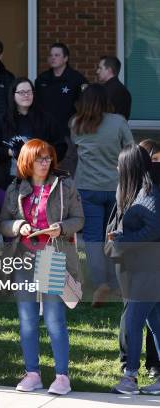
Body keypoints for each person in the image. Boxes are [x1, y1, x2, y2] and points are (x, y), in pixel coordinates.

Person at [0, 139, 84, 396]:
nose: (45, 162)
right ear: (27, 161)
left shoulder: (64, 184)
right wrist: (17, 226)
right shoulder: (16, 188)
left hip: (51, 257)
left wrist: (62, 227)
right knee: (27, 320)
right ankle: (32, 373)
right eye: (40, 158)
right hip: (24, 257)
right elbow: (3, 222)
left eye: (48, 158)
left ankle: (61, 377)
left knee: (54, 319)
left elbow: (79, 218)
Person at [70, 84, 134, 306]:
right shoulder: (118, 122)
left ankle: (100, 283)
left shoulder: (76, 123)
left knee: (93, 238)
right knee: (114, 235)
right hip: (117, 187)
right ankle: (117, 284)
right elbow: (131, 150)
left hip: (87, 187)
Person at [110, 145, 160, 395]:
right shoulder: (137, 191)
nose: (118, 168)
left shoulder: (148, 194)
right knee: (155, 323)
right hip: (147, 268)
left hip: (149, 270)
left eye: (121, 164)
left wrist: (124, 240)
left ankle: (129, 378)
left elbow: (154, 229)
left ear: (131, 166)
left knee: (133, 321)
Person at [0, 77, 66, 191]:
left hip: (40, 182)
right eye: (21, 92)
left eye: (29, 92)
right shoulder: (2, 121)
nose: (26, 95)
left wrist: (42, 155)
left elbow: (61, 147)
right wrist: (10, 151)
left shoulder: (46, 119)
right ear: (13, 95)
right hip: (8, 182)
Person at [35, 43, 88, 175]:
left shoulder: (76, 79)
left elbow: (86, 106)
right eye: (51, 55)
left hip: (68, 135)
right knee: (45, 171)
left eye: (57, 55)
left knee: (66, 172)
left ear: (65, 58)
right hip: (45, 134)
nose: (53, 58)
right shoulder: (42, 80)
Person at [96, 56, 131, 120]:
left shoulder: (106, 91)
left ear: (109, 70)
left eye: (100, 68)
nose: (97, 71)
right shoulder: (123, 90)